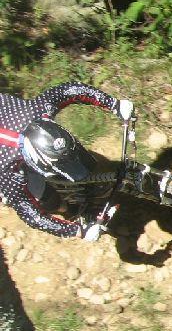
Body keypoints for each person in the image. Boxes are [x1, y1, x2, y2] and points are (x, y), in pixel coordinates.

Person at [0, 82, 134, 240]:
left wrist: (114, 104)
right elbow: (32, 215)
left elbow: (70, 90)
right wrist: (78, 231)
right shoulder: (7, 172)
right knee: (43, 196)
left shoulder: (38, 109)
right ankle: (70, 209)